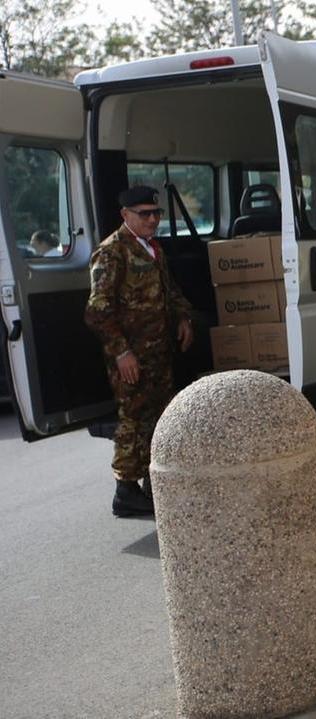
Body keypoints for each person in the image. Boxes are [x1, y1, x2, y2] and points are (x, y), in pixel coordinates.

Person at [85, 186, 195, 518]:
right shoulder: (112, 252)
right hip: (131, 356)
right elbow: (97, 311)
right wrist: (121, 354)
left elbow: (169, 291)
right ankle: (125, 490)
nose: (152, 220)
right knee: (132, 420)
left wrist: (184, 318)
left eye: (156, 213)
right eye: (144, 214)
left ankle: (152, 484)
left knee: (159, 417)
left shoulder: (152, 248)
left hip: (158, 352)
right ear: (125, 215)